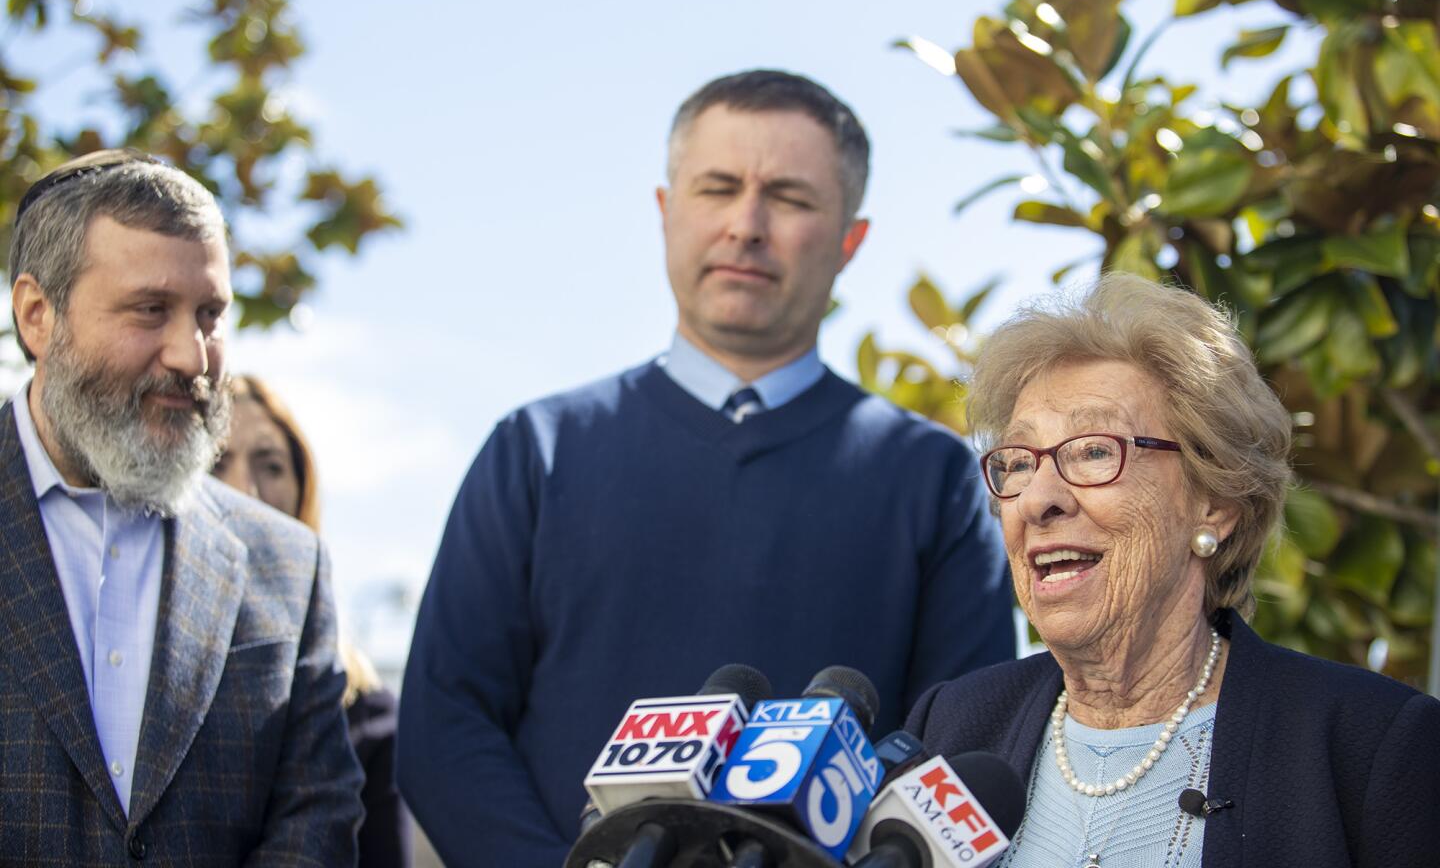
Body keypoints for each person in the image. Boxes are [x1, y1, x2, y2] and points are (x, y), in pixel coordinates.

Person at [399, 69, 1016, 866]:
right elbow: (445, 727)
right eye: (717, 188)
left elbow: (961, 751)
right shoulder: (535, 450)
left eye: (790, 198)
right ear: (665, 212)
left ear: (850, 240)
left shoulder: (934, 480)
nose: (746, 224)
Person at [906, 273, 1440, 866]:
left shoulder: (1372, 744)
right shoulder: (953, 724)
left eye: (1093, 451)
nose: (1037, 500)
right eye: (1017, 462)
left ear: (1214, 501)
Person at [1, 149, 362, 863]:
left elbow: (316, 822)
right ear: (38, 316)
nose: (192, 357)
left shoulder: (287, 567)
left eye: (209, 315)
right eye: (151, 309)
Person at [213, 374, 412, 868]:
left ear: (304, 492)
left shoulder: (366, 712)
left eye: (271, 465)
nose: (246, 491)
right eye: (216, 462)